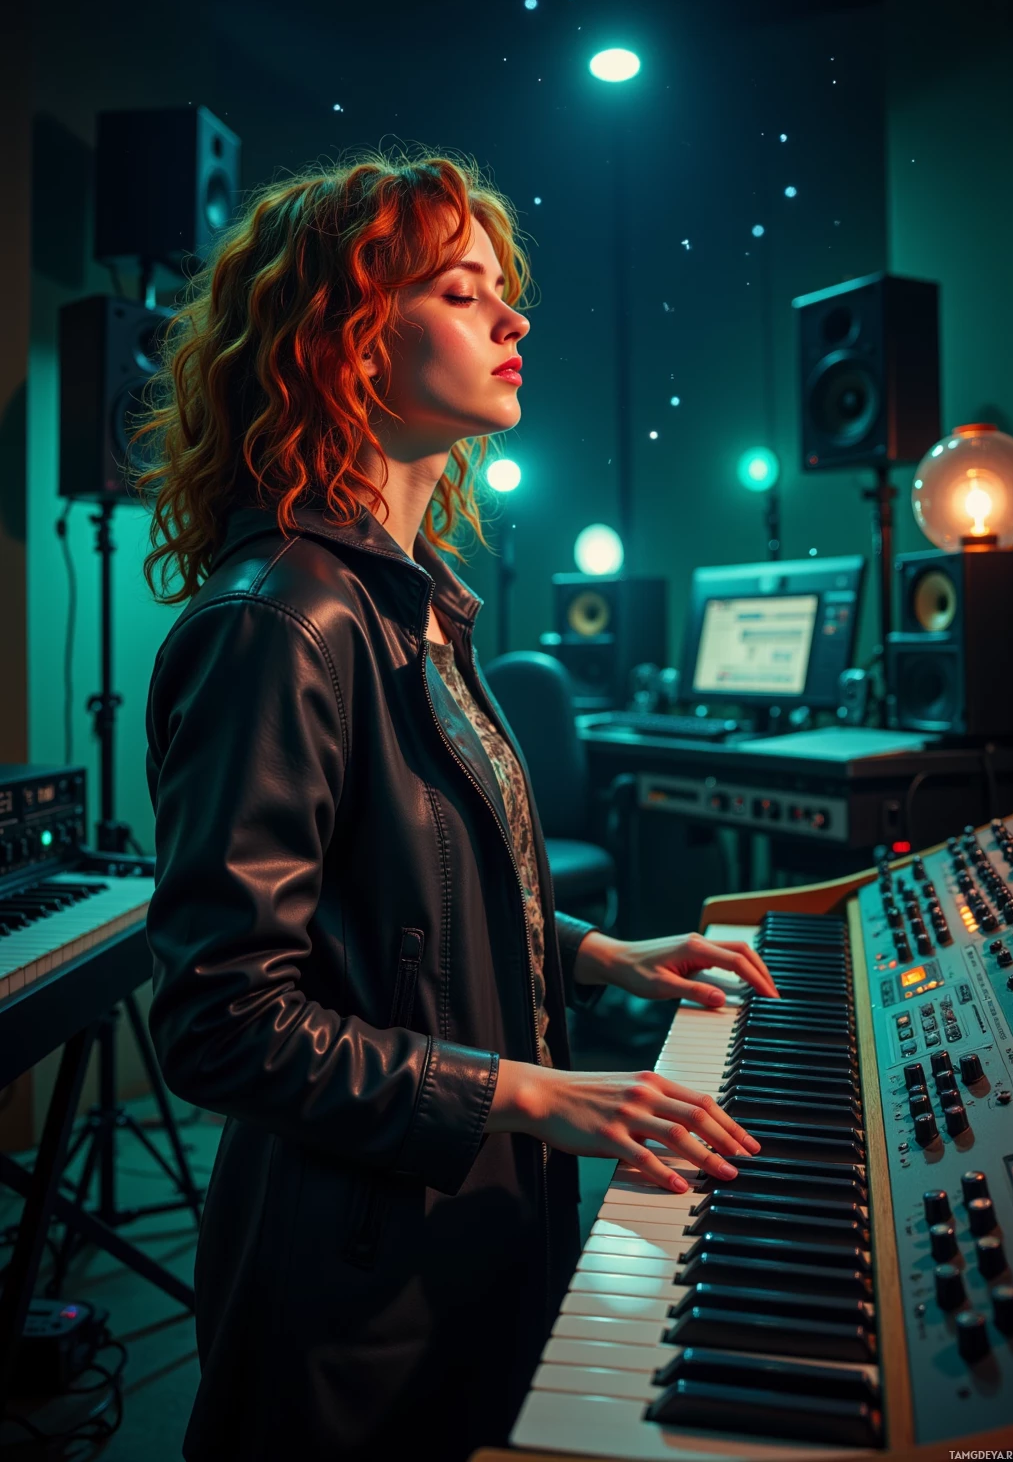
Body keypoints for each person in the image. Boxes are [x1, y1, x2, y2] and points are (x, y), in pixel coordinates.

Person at [131, 148, 780, 1462]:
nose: (513, 319)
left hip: (465, 1236)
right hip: (358, 1299)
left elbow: (401, 917)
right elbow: (221, 1021)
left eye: (503, 291)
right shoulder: (282, 624)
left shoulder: (410, 604)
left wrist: (598, 953)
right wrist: (540, 1098)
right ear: (344, 339)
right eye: (461, 289)